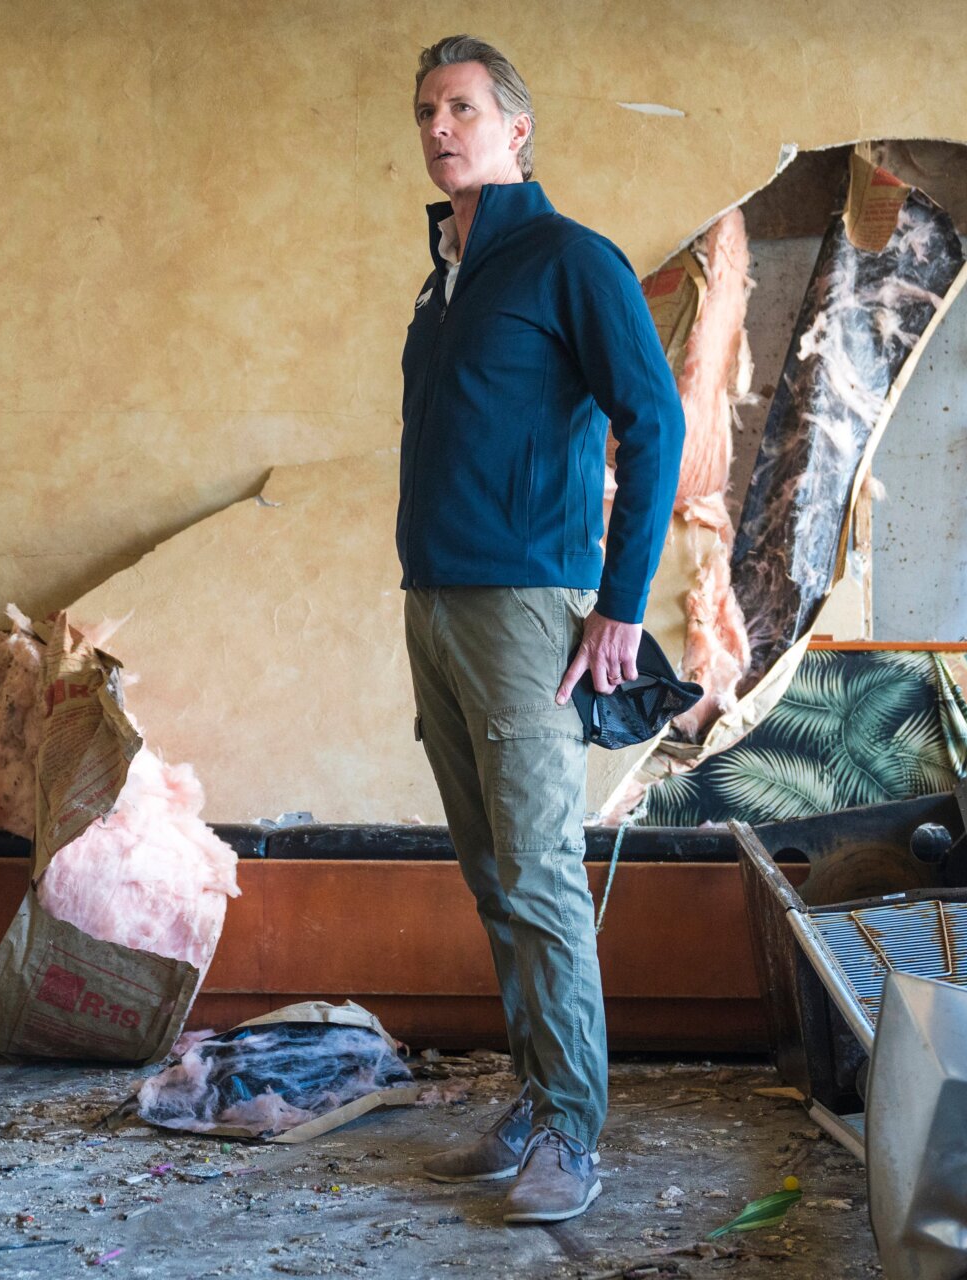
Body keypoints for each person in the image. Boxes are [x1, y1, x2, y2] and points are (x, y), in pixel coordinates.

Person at [395, 34, 683, 1224]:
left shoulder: (571, 259)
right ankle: (533, 1095)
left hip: (526, 608)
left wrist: (621, 602)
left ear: (516, 129)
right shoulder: (444, 280)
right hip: (434, 604)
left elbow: (653, 419)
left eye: (462, 107)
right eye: (426, 110)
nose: (438, 127)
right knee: (494, 876)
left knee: (542, 873)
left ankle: (571, 1130)